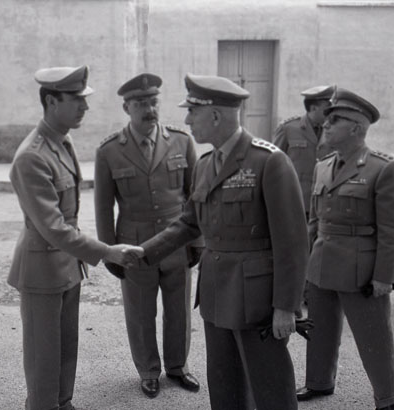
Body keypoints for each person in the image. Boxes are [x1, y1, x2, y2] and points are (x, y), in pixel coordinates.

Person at [129, 73, 309, 410]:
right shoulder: (205, 164)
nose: (187, 120)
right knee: (225, 383)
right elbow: (188, 223)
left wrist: (286, 307)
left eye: (192, 112)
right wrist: (143, 253)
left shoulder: (269, 161)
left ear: (214, 115)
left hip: (257, 298)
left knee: (270, 384)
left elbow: (293, 242)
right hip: (215, 292)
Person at [7, 65, 141, 410]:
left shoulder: (61, 141)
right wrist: (107, 251)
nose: (85, 106)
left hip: (66, 265)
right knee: (43, 355)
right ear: (52, 101)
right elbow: (53, 227)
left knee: (66, 347)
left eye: (84, 99)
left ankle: (62, 403)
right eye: (76, 99)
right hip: (41, 269)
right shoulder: (32, 156)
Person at [296, 87, 394, 410]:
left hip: (361, 270)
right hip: (321, 263)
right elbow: (314, 222)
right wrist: (305, 266)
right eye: (326, 119)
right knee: (319, 330)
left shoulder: (382, 168)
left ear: (356, 128)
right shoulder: (323, 166)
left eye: (335, 120)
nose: (326, 125)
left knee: (374, 337)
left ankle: (388, 398)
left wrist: (384, 276)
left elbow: (393, 231)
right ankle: (319, 382)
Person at [94, 73, 202, 398]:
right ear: (126, 108)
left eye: (153, 102)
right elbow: (103, 208)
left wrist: (197, 241)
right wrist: (109, 252)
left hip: (176, 243)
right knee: (141, 313)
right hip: (134, 246)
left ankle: (178, 366)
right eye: (140, 103)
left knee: (178, 310)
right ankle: (148, 371)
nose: (149, 109)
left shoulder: (182, 141)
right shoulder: (109, 151)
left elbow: (195, 197)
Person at [273, 85, 335, 217]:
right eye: (327, 108)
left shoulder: (334, 130)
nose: (330, 112)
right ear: (313, 108)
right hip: (296, 200)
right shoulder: (288, 129)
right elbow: (274, 164)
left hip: (325, 202)